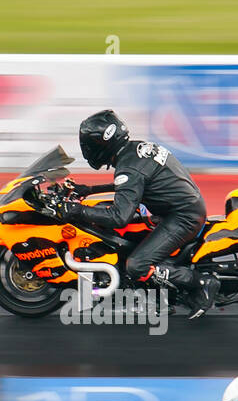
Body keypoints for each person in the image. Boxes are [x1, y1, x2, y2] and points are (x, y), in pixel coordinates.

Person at [55, 109, 220, 319]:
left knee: (136, 265)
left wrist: (79, 210)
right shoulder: (134, 150)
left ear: (101, 144)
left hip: (182, 217)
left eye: (88, 145)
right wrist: (89, 190)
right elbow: (132, 183)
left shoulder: (128, 167)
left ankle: (201, 283)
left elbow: (118, 216)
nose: (86, 149)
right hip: (180, 208)